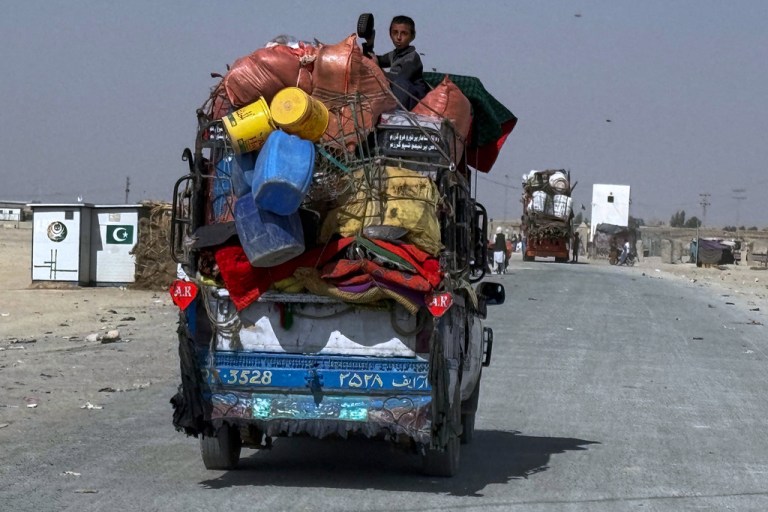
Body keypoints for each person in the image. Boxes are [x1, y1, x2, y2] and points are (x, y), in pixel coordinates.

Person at [373, 15, 428, 109]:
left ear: (412, 36)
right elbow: (377, 59)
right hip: (398, 96)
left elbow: (400, 79)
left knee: (400, 83)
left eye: (404, 33)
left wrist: (379, 72)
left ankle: (397, 115)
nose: (398, 37)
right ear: (390, 34)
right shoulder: (394, 55)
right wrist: (369, 44)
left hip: (413, 98)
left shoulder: (412, 58)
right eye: (395, 33)